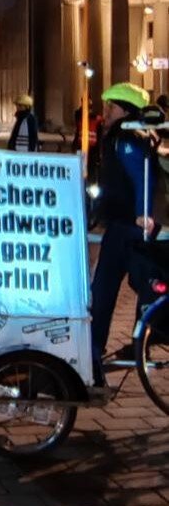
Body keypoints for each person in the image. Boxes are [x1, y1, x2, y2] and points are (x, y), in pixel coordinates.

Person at [90, 82, 159, 379]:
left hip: (127, 227)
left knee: (106, 289)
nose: (106, 112)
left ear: (126, 110)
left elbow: (143, 179)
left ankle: (97, 347)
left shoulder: (126, 140)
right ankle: (138, 340)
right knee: (139, 285)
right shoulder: (123, 137)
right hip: (123, 224)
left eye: (111, 107)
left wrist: (143, 216)